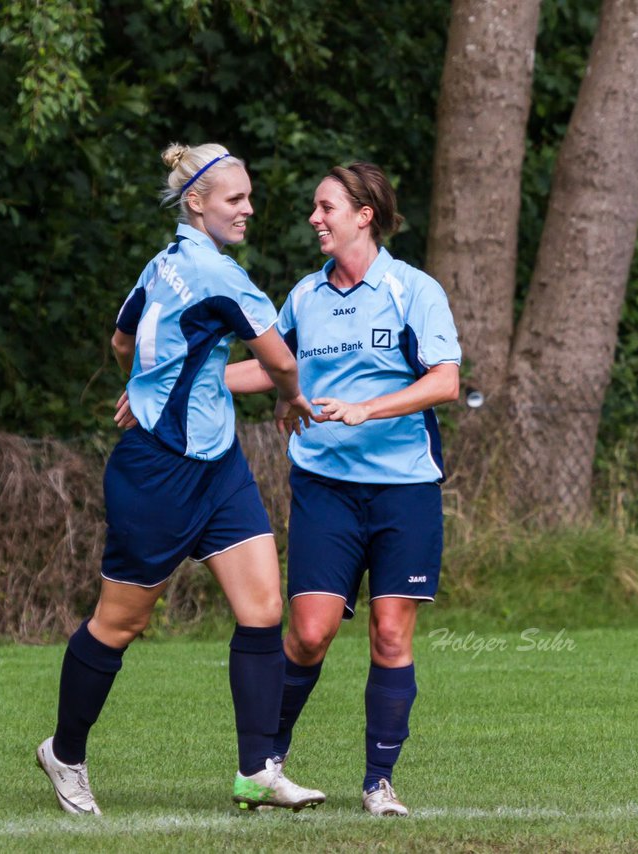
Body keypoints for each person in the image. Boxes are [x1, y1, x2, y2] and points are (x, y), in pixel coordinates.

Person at [35, 143, 324, 816]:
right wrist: (287, 396)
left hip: (216, 467)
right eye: (235, 199)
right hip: (158, 472)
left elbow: (121, 341)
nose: (248, 208)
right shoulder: (221, 276)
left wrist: (146, 385)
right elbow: (280, 360)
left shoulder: (160, 264)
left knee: (262, 610)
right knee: (119, 623)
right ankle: (65, 753)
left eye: (249, 197)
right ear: (196, 203)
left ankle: (256, 770)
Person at [226, 162, 461, 817]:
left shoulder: (413, 290)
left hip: (404, 492)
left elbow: (445, 381)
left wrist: (370, 407)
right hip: (324, 488)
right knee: (308, 633)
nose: (314, 218)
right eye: (314, 206)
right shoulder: (305, 296)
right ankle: (265, 765)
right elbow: (276, 364)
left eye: (326, 206)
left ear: (365, 214)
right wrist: (195, 380)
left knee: (391, 634)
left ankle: (378, 783)